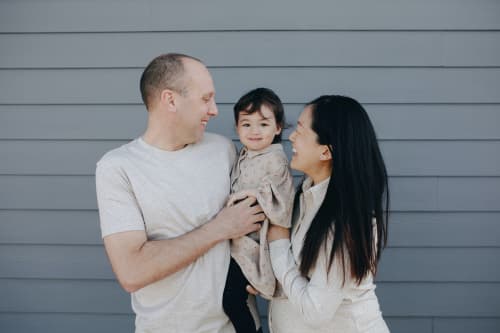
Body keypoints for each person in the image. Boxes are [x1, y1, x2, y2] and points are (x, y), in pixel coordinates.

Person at [95, 53, 265, 333]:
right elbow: (132, 272)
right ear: (170, 100)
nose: (214, 110)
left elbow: (256, 220)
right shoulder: (118, 168)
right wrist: (220, 228)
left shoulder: (223, 150)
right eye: (205, 98)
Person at [266, 95, 390, 332]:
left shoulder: (347, 221)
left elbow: (316, 311)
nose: (291, 136)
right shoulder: (305, 194)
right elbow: (300, 274)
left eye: (300, 131)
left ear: (325, 152)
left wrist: (278, 244)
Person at [222, 88, 295, 333]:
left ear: (277, 128)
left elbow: (283, 200)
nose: (254, 131)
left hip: (254, 245)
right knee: (234, 296)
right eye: (247, 124)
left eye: (263, 124)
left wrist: (255, 194)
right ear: (237, 127)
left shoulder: (275, 159)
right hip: (236, 241)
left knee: (231, 298)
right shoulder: (245, 154)